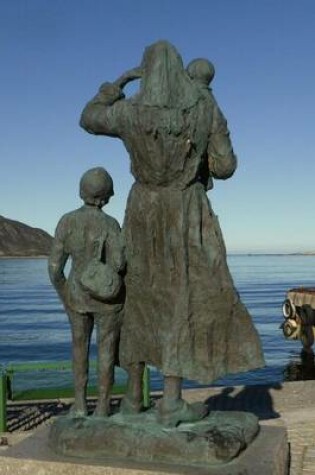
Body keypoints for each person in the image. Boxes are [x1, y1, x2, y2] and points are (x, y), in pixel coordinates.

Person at [80, 41, 264, 427]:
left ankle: (132, 398)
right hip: (186, 210)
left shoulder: (130, 111)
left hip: (144, 211)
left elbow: (89, 117)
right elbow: (226, 166)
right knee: (182, 298)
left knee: (140, 295)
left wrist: (119, 84)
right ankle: (172, 401)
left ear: (146, 72)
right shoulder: (203, 106)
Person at [48, 167, 125, 417]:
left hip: (76, 298)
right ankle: (103, 407)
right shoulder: (110, 224)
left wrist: (66, 297)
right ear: (106, 195)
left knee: (79, 348)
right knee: (106, 350)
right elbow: (120, 264)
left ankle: (80, 405)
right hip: (106, 300)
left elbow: (54, 268)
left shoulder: (67, 221)